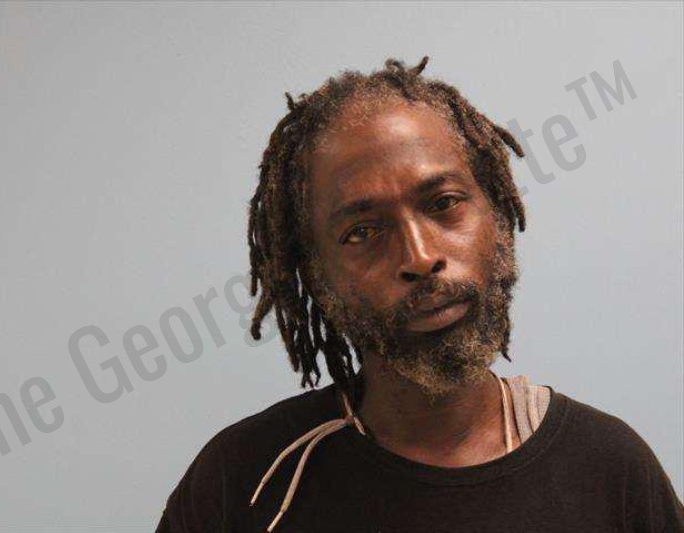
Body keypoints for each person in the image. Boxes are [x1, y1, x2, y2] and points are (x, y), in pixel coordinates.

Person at [154, 57, 684, 532]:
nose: (419, 256)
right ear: (315, 274)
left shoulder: (610, 471)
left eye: (444, 203)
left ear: (498, 217)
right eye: (363, 231)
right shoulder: (243, 483)